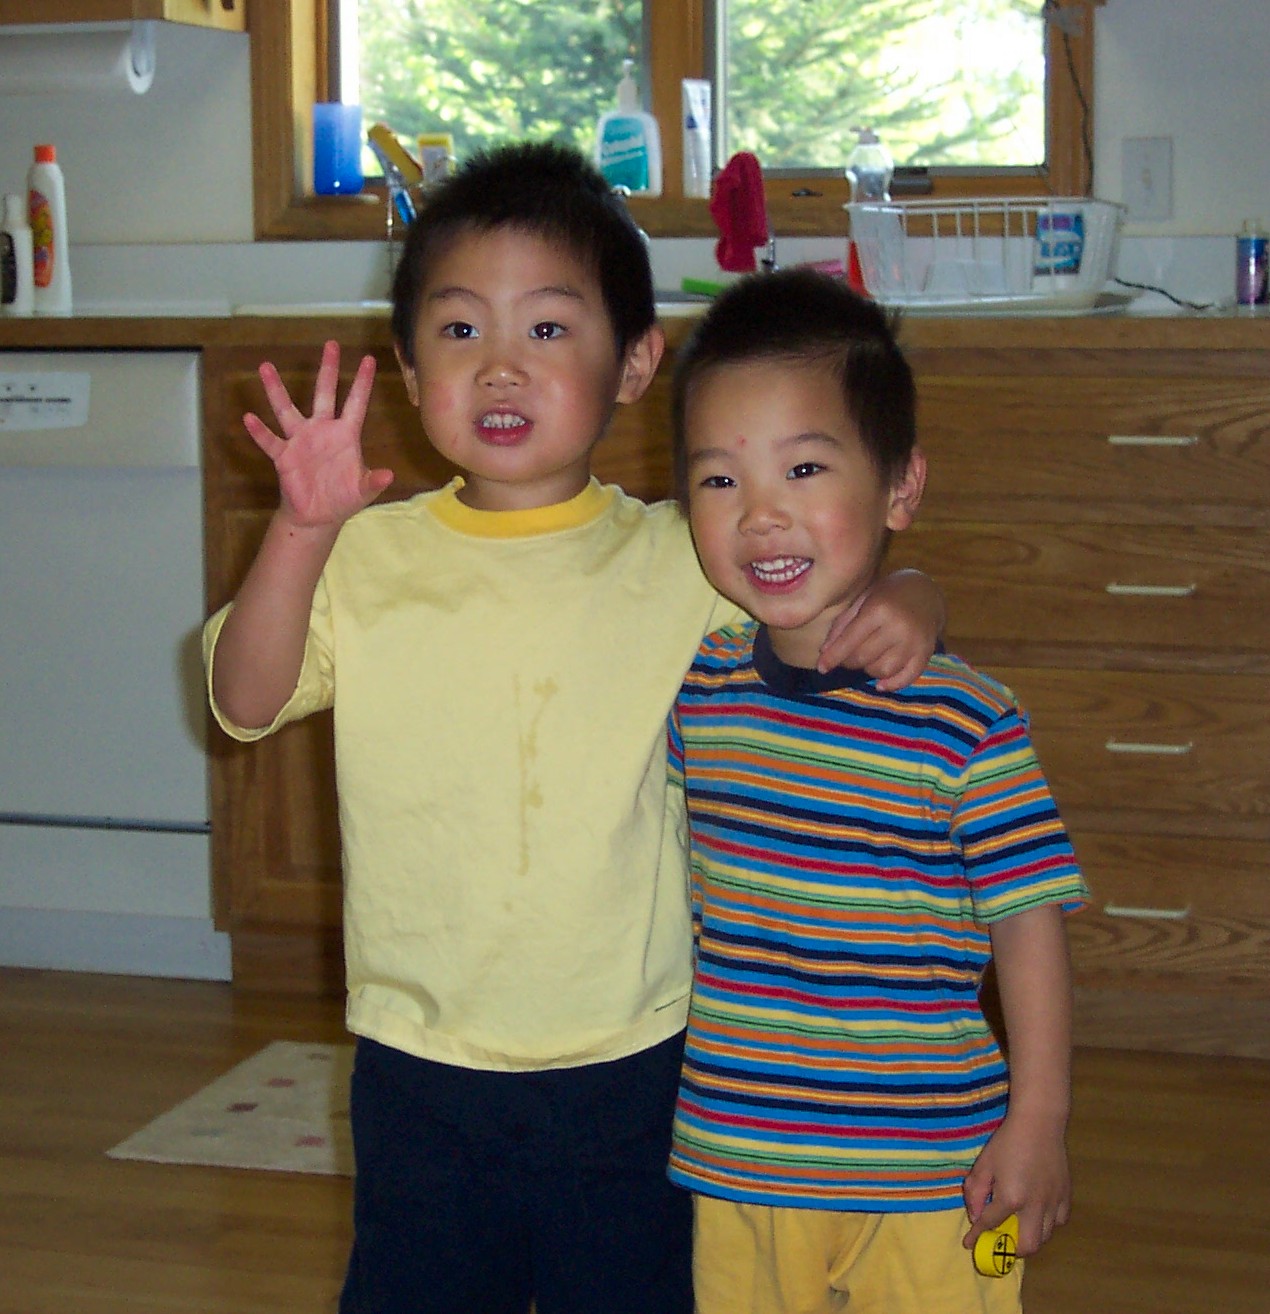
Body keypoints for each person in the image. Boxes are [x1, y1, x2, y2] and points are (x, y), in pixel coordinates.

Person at [201, 143, 944, 1314]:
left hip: (638, 1054)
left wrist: (909, 594)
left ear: (637, 364)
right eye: (459, 333)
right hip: (420, 1057)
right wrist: (298, 532)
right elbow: (244, 702)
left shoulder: (681, 554)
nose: (500, 367)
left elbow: (818, 597)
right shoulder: (366, 556)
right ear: (404, 367)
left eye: (547, 331)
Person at [666, 267, 1089, 1314]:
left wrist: (1038, 1118)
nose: (760, 516)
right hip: (740, 1164)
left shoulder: (966, 721)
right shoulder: (698, 692)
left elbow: (1028, 924)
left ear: (899, 488)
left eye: (804, 468)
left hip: (934, 1176)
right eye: (718, 482)